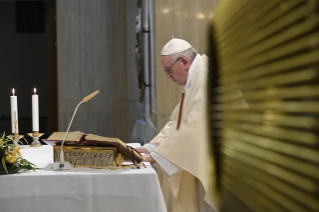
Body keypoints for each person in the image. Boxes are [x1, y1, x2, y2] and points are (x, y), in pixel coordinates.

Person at [136, 38, 217, 212]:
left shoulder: (209, 78)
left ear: (185, 62)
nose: (168, 76)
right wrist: (152, 147)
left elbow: (196, 128)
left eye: (169, 70)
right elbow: (178, 123)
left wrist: (157, 156)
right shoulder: (198, 77)